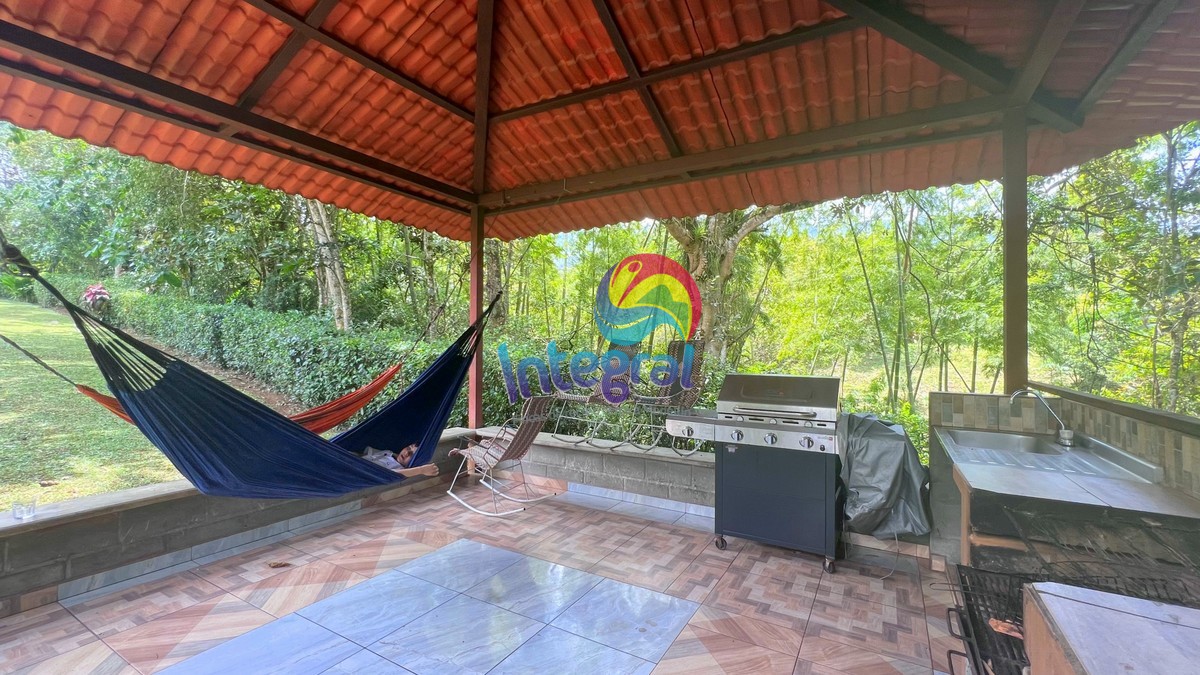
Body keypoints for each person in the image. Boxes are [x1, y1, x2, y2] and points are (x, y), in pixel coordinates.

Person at [362, 443, 439, 477]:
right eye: (408, 448)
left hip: (361, 471)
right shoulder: (388, 452)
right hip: (357, 462)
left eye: (412, 455)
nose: (406, 453)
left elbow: (394, 474)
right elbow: (364, 453)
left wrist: (421, 470)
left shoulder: (399, 468)